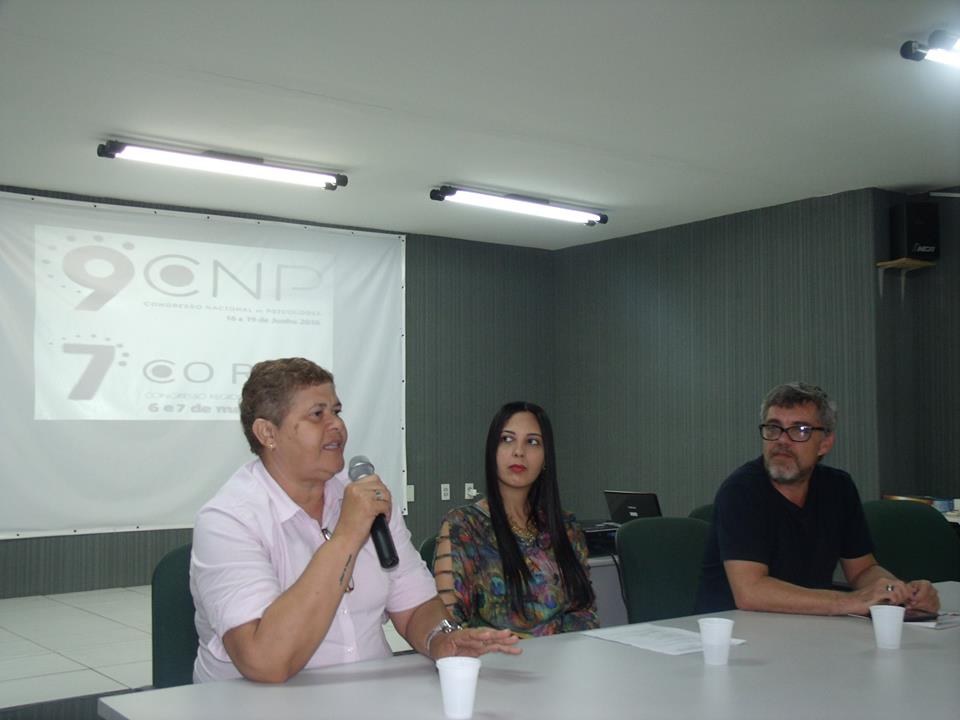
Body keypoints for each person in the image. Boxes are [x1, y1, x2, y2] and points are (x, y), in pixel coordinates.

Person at [190, 358, 520, 683]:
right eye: (317, 414)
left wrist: (441, 638)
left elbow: (416, 606)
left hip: (370, 695)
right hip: (259, 704)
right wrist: (347, 535)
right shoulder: (227, 520)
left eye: (336, 411)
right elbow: (265, 662)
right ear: (267, 433)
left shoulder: (366, 499)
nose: (337, 425)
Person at [695, 382, 940, 616]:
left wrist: (899, 592)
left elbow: (862, 570)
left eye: (799, 430)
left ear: (825, 443)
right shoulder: (741, 491)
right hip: (735, 632)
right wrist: (850, 601)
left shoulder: (838, 487)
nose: (782, 440)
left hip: (807, 624)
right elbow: (751, 592)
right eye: (773, 428)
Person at [432, 401, 599, 637]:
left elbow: (584, 611)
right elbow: (450, 624)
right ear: (492, 451)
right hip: (493, 656)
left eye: (533, 442)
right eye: (507, 439)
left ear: (546, 458)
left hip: (564, 655)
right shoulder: (463, 526)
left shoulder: (565, 526)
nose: (519, 451)